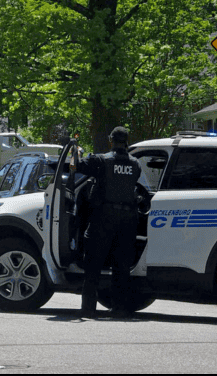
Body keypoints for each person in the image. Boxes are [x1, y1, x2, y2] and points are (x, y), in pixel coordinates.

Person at [71, 126, 142, 318]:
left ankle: (88, 309)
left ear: (111, 140)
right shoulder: (136, 164)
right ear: (127, 141)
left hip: (103, 218)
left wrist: (75, 152)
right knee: (122, 266)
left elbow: (74, 166)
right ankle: (119, 308)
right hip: (127, 220)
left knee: (93, 263)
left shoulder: (101, 160)